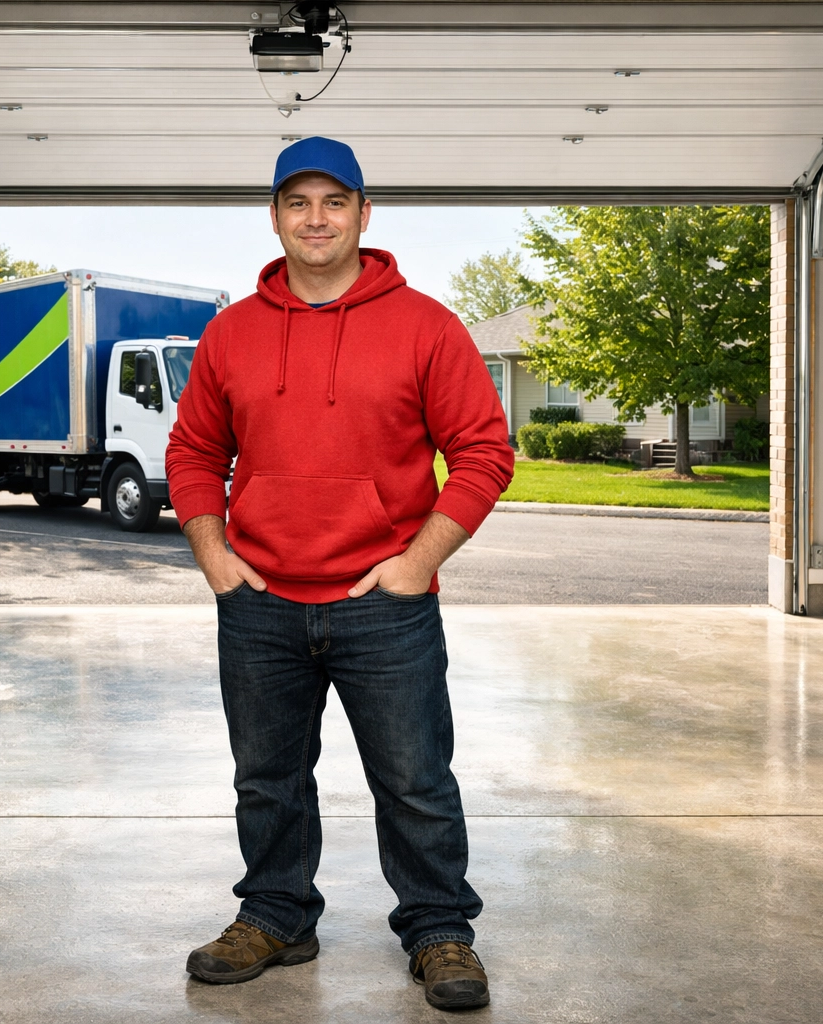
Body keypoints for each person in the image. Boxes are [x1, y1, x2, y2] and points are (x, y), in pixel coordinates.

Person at [165, 136, 514, 1012]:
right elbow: (195, 450)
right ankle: (277, 915)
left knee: (414, 778)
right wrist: (214, 553)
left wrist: (417, 562)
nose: (315, 219)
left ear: (365, 213)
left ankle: (439, 930)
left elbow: (484, 451)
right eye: (297, 202)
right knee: (266, 777)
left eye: (334, 202)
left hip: (383, 609)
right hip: (260, 605)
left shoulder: (426, 325)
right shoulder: (233, 333)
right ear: (275, 216)